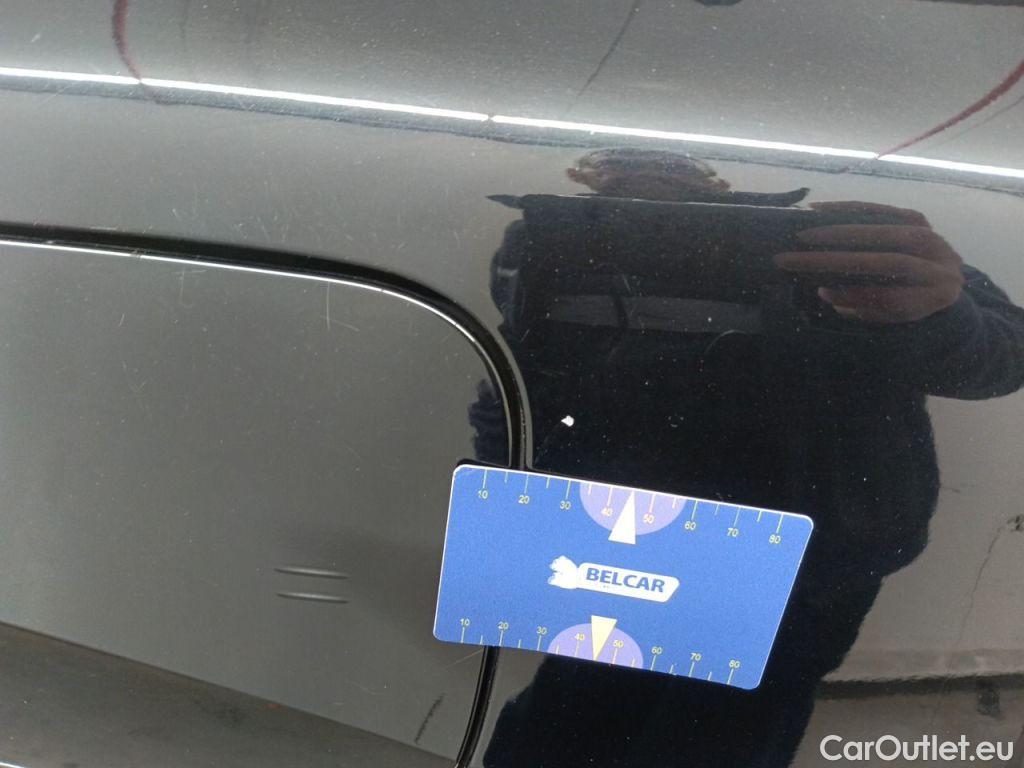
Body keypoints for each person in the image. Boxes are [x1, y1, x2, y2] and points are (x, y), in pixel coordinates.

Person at [473, 148, 1024, 767]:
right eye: (623, 176)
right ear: (590, 182)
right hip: (622, 533)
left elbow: (1003, 355)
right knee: (579, 704)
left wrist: (942, 317)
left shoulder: (826, 238)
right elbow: (517, 372)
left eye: (670, 170)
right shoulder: (559, 239)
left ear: (714, 181)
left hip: (796, 557)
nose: (651, 190)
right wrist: (517, 494)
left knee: (729, 721)